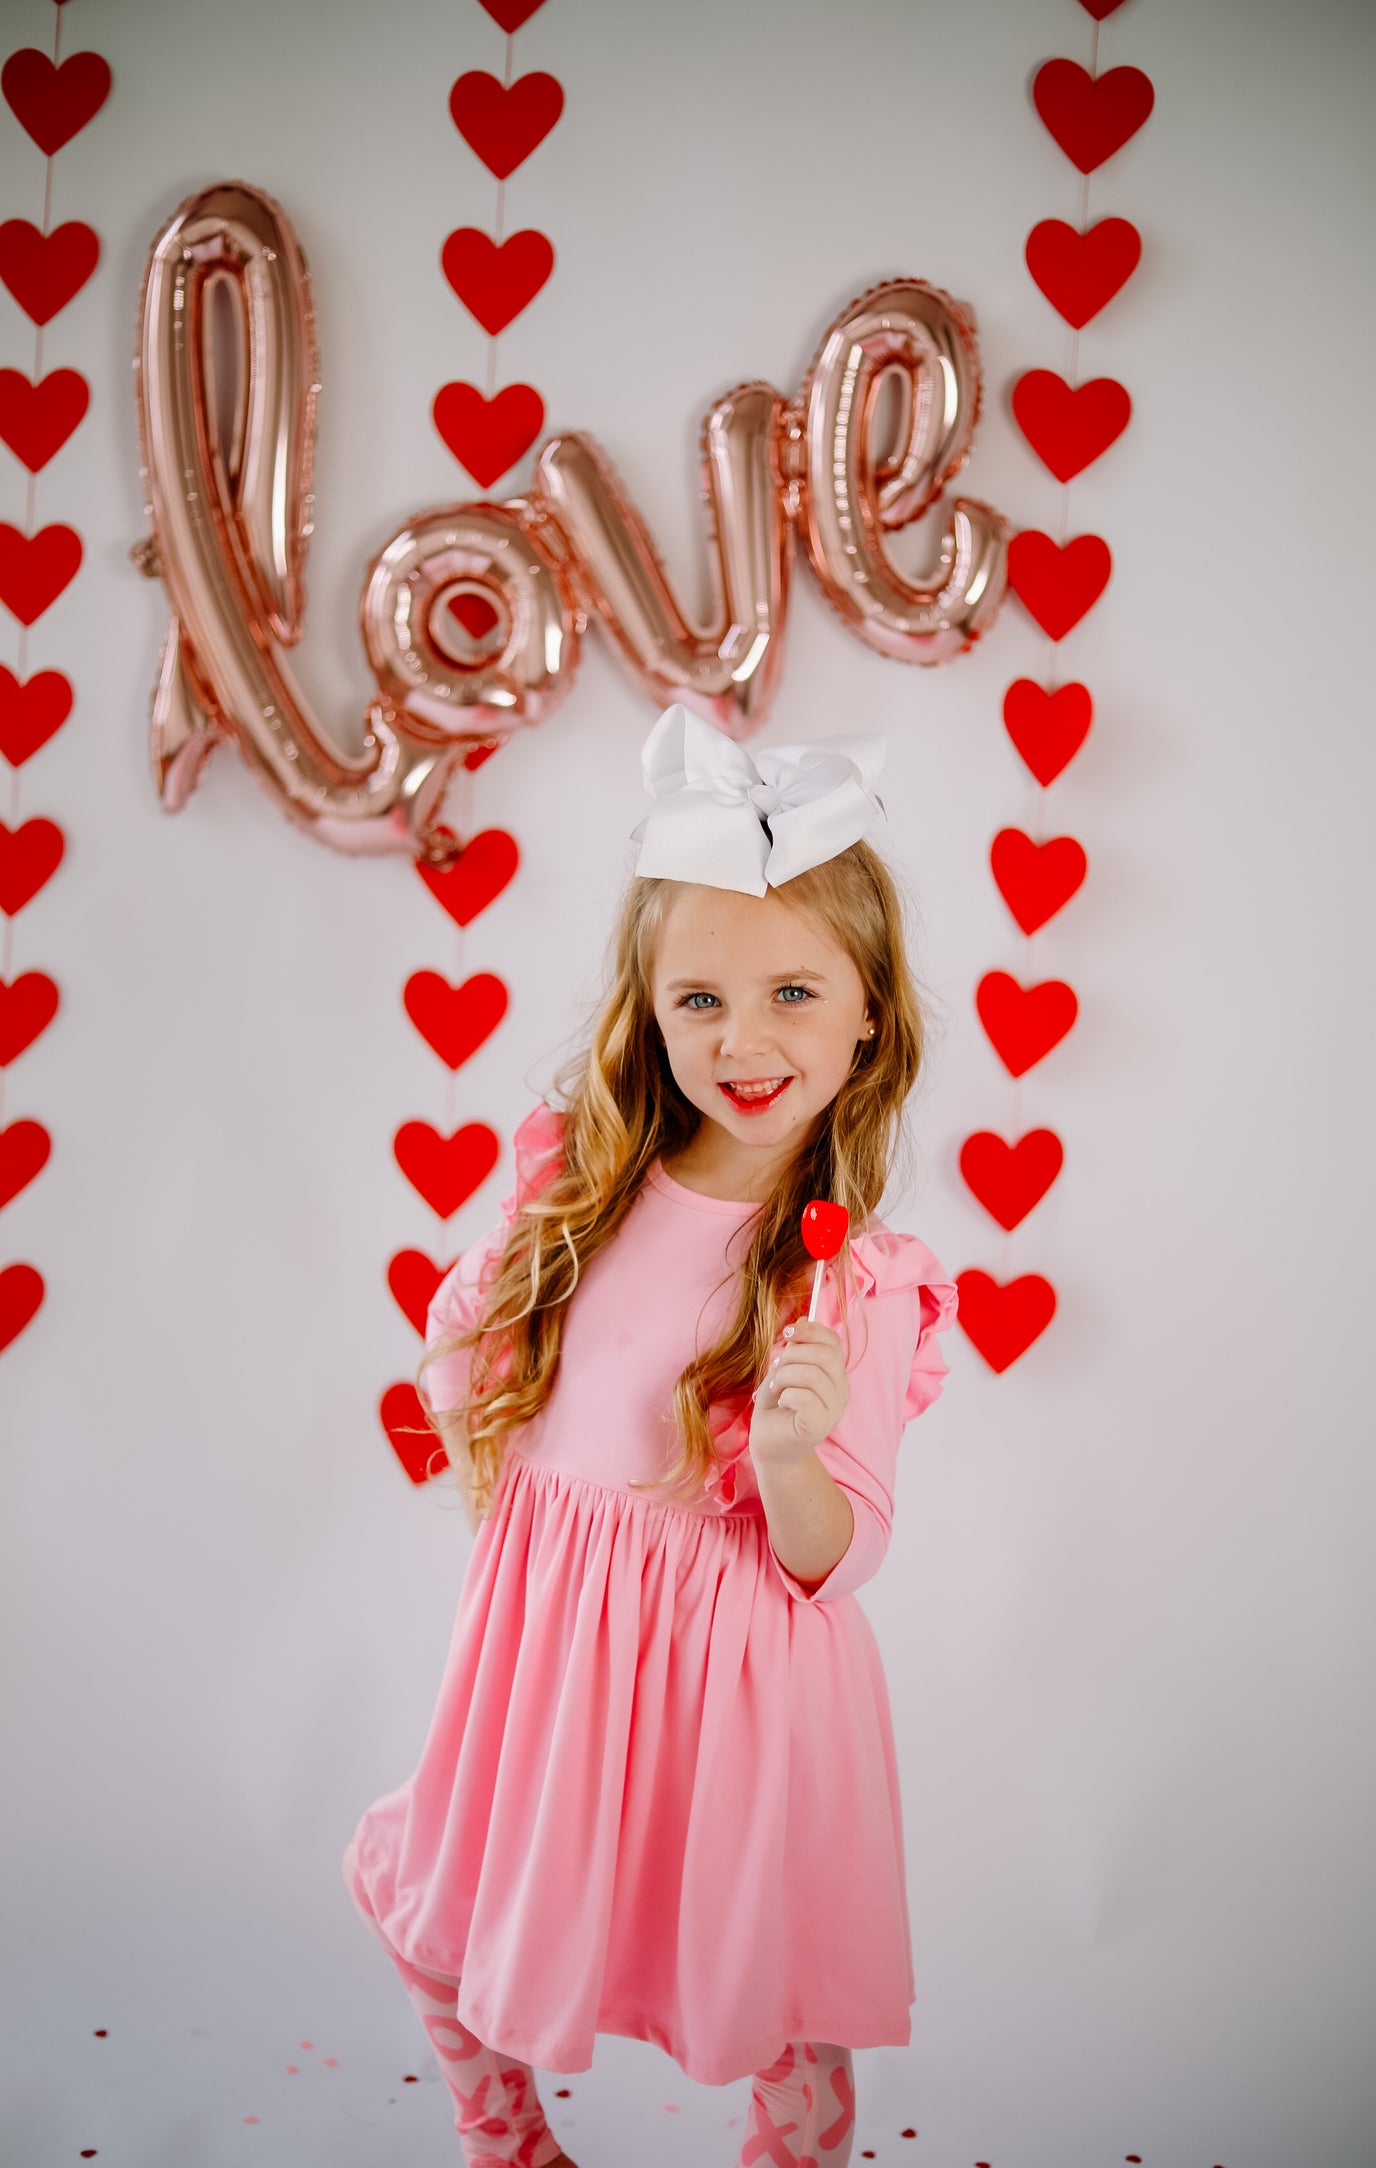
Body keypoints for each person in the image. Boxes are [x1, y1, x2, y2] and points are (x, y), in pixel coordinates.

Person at [340, 702, 960, 2167]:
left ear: (869, 1007)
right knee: (436, 1902)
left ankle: (788, 2154)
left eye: (794, 993)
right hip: (550, 1660)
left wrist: (798, 1459)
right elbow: (488, 1403)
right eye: (701, 1000)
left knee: (775, 2001)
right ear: (648, 1004)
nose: (745, 1039)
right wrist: (470, 1329)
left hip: (735, 1688)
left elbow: (840, 1558)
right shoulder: (577, 1186)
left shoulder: (845, 1276)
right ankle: (509, 2141)